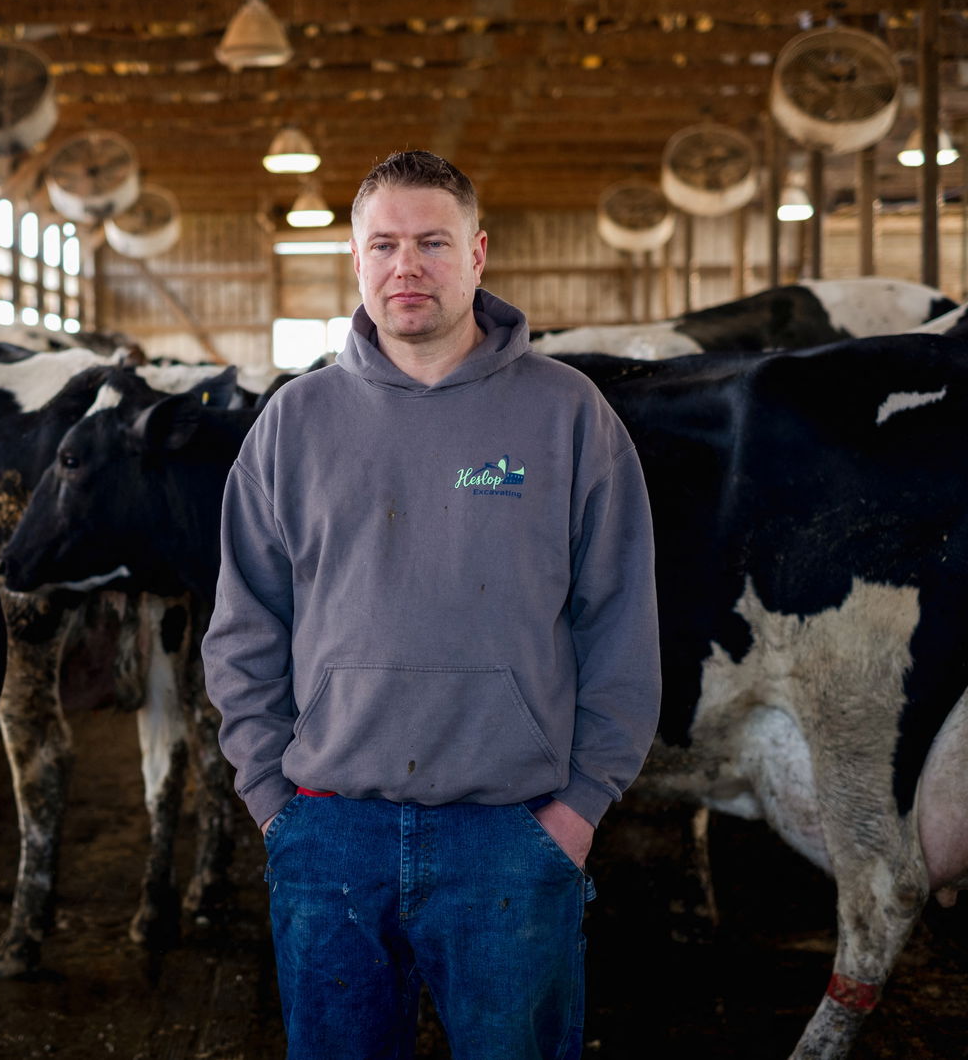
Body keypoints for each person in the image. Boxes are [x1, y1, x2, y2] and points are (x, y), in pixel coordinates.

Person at [201, 150, 662, 1059]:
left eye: (431, 243)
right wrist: (271, 799)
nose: (405, 267)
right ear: (357, 263)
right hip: (330, 832)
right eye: (383, 246)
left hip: (512, 835)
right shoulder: (293, 425)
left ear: (478, 255)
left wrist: (577, 811)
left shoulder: (569, 416)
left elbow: (621, 625)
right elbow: (244, 626)